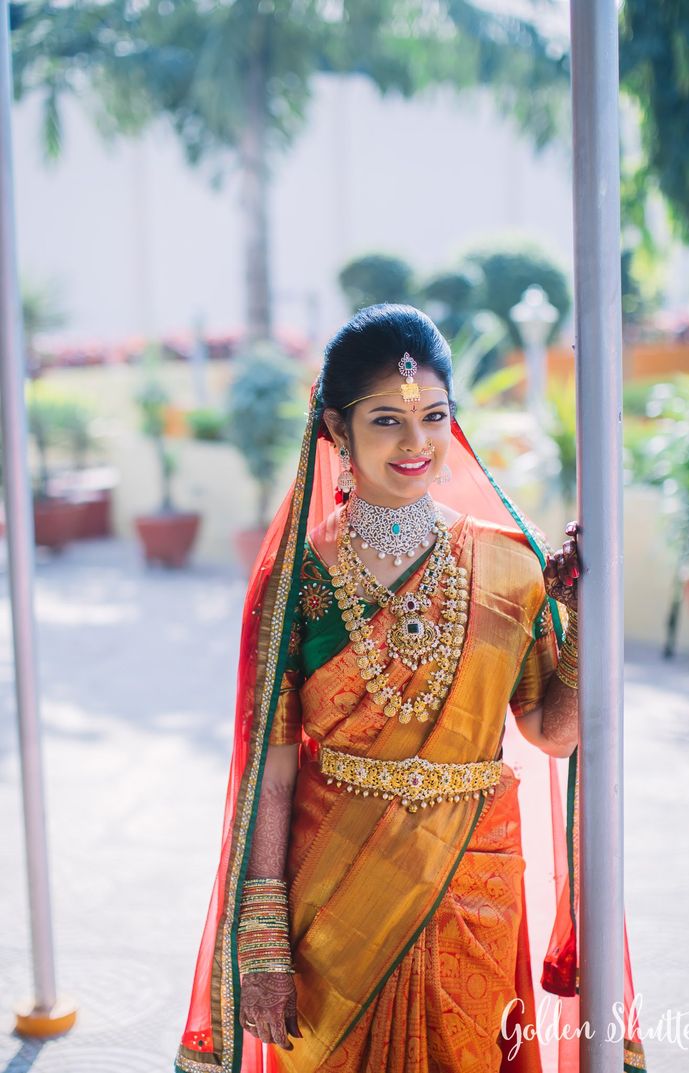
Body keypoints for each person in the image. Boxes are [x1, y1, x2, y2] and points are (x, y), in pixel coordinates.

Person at [175, 305, 647, 1073]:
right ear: (336, 429)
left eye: (434, 415)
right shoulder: (299, 581)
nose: (417, 441)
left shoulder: (508, 567)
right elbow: (273, 770)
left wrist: (586, 617)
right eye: (388, 419)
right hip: (332, 904)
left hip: (473, 887)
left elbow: (552, 732)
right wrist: (260, 941)